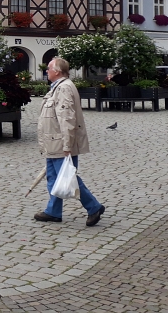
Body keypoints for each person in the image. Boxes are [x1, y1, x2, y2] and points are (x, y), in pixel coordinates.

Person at [34, 57, 105, 227]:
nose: (46, 71)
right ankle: (53, 211)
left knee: (68, 177)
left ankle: (93, 207)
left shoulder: (64, 88)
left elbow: (67, 118)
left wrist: (67, 145)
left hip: (59, 142)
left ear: (57, 71)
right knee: (54, 177)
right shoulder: (58, 87)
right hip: (53, 142)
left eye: (49, 68)